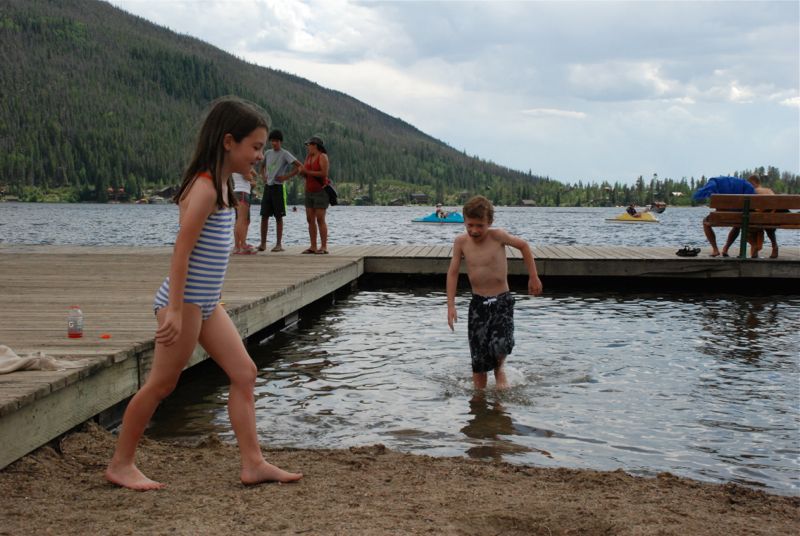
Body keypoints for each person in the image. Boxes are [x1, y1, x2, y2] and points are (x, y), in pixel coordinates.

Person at [105, 97, 302, 491]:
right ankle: (121, 464)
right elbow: (181, 249)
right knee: (162, 385)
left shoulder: (224, 185)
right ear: (228, 142)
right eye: (255, 147)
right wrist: (176, 310)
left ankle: (253, 463)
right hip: (185, 302)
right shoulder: (206, 187)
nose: (259, 156)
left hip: (207, 303)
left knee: (245, 373)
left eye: (262, 148)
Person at [446, 195, 543, 390]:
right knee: (478, 357)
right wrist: (451, 305)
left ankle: (499, 370)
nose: (474, 230)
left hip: (501, 301)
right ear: (464, 221)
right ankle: (479, 397)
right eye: (470, 225)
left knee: (500, 345)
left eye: (480, 226)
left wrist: (533, 276)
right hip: (478, 304)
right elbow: (453, 272)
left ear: (489, 222)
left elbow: (523, 246)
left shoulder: (498, 236)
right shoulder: (461, 242)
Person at [258, 129, 301, 252]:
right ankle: (263, 244)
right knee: (264, 216)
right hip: (268, 187)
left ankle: (278, 244)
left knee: (279, 216)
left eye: (276, 141)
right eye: (272, 141)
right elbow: (262, 166)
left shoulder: (285, 154)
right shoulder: (267, 153)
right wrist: (263, 176)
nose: (274, 143)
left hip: (278, 187)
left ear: (280, 142)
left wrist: (286, 177)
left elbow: (299, 166)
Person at [692, 176, 755, 257]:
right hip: (739, 217)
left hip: (720, 216)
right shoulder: (746, 185)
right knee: (737, 225)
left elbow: (709, 190)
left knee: (705, 222)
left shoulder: (714, 182)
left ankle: (715, 250)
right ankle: (725, 249)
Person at [298, 135, 330, 254]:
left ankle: (324, 247)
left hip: (321, 191)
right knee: (310, 219)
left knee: (320, 218)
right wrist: (302, 173)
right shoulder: (308, 157)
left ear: (315, 145)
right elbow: (306, 174)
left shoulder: (322, 156)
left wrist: (307, 171)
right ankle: (313, 247)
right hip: (309, 191)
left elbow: (324, 173)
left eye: (309, 145)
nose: (307, 147)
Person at [745, 175, 779, 258]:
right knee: (768, 227)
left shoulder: (753, 191)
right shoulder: (769, 190)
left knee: (745, 227)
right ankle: (774, 246)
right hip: (772, 219)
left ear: (752, 183)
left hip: (757, 220)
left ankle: (754, 245)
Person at [232, 169, 257, 254]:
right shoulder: (242, 165)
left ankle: (237, 247)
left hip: (240, 192)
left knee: (242, 220)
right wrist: (252, 179)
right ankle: (243, 245)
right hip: (242, 192)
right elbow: (249, 177)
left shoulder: (239, 164)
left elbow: (254, 174)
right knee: (242, 220)